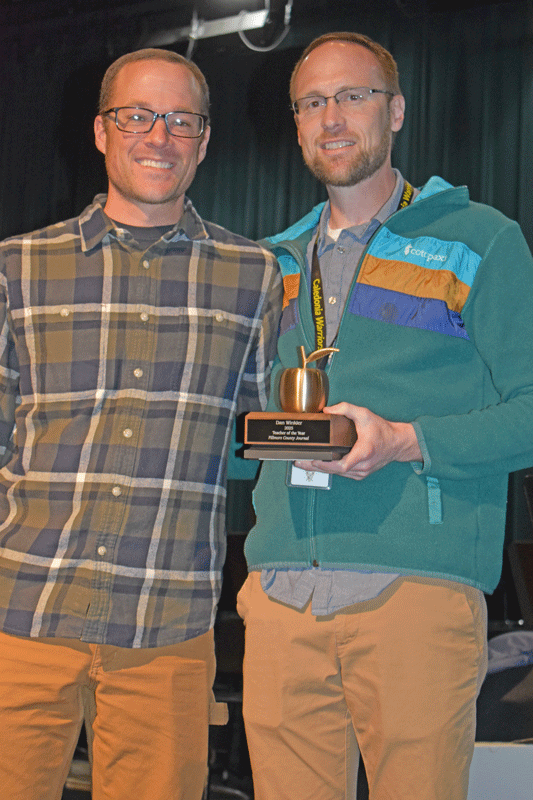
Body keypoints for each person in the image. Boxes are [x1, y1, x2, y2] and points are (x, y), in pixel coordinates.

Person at [237, 31, 533, 800]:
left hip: (416, 593)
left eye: (353, 95)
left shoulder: (480, 241)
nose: (331, 117)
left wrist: (405, 441)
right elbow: (239, 443)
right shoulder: (268, 264)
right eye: (311, 102)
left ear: (396, 110)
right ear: (296, 121)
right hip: (278, 599)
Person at [0, 48, 281, 800]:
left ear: (204, 138)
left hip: (168, 622)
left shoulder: (254, 275)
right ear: (101, 131)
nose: (159, 136)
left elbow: (266, 432)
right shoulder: (17, 267)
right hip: (20, 614)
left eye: (181, 120)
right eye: (137, 116)